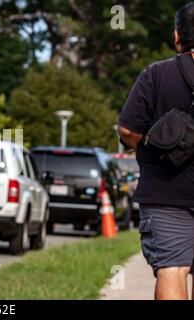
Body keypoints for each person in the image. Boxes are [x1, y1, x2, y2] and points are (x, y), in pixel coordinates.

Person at [118, 2, 194, 300]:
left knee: (172, 269)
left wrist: (154, 148)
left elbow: (127, 130)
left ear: (177, 36)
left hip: (165, 194)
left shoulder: (156, 74)